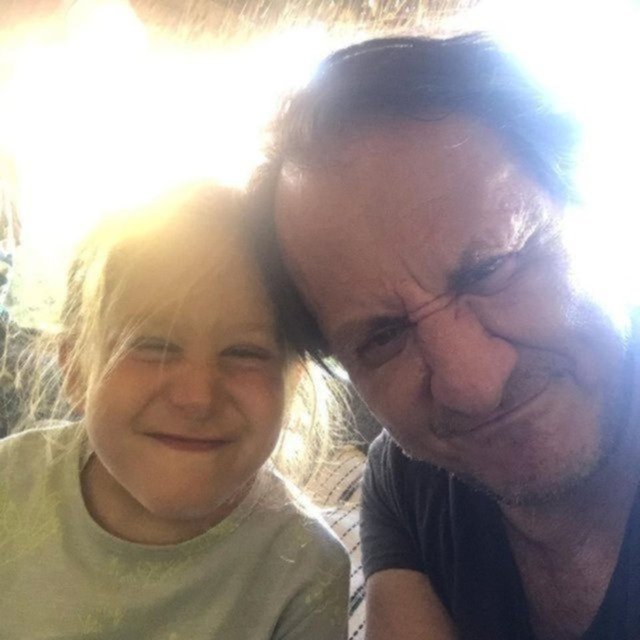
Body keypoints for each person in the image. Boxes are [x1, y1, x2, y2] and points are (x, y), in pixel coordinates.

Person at [257, 33, 640, 639]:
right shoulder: (409, 481)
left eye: (490, 268)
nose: (474, 387)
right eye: (383, 337)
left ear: (588, 205)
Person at [0, 184, 349, 638]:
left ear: (293, 380)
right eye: (152, 345)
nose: (197, 397)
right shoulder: (9, 483)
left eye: (244, 352)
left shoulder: (306, 570)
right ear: (76, 369)